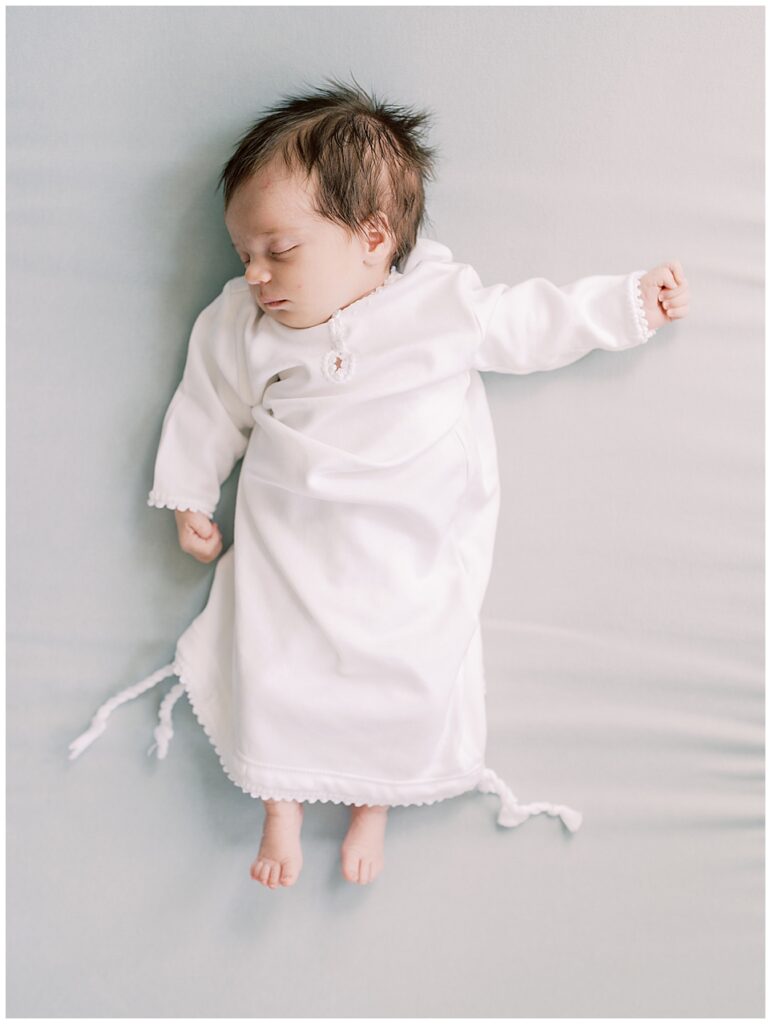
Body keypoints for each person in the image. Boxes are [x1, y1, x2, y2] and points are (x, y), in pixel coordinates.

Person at [68, 79, 690, 889]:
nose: (256, 275)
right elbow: (208, 402)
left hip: (405, 546)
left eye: (279, 250)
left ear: (371, 238)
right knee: (271, 653)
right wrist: (189, 493)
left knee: (414, 660)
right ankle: (280, 803)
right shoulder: (242, 324)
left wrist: (628, 303)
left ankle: (375, 805)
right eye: (244, 255)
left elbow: (530, 322)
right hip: (295, 539)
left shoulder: (437, 304)